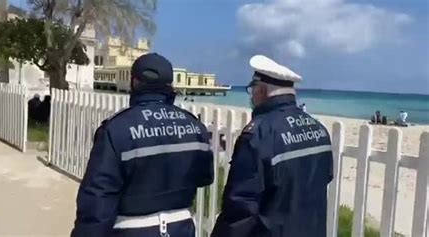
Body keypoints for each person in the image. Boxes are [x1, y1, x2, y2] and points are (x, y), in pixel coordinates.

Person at [71, 53, 214, 237]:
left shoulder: (116, 129)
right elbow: (205, 177)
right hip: (181, 228)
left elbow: (98, 199)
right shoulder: (195, 127)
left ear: (134, 82)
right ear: (170, 85)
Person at [211, 55, 333, 237]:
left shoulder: (259, 134)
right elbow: (325, 177)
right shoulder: (319, 130)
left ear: (261, 90)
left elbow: (241, 208)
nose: (251, 96)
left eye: (252, 90)